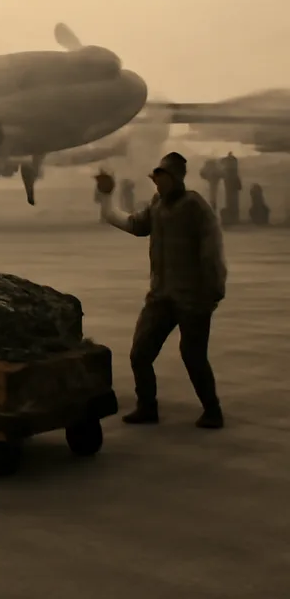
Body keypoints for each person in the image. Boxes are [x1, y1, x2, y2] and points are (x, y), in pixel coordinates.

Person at [95, 151, 226, 429]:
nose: (157, 184)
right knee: (140, 353)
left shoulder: (195, 207)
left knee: (193, 356)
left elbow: (211, 250)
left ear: (175, 178)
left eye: (161, 178)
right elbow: (132, 224)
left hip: (193, 297)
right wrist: (107, 197)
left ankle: (212, 410)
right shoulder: (157, 205)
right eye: (156, 179)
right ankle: (147, 407)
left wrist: (214, 289)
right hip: (162, 296)